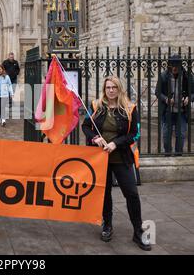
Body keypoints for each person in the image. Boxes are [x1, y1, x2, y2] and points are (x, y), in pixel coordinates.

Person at [82, 75, 151, 251]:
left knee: (132, 194)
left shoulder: (129, 108)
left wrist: (116, 143)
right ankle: (107, 225)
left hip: (121, 157)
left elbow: (134, 134)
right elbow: (85, 126)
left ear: (119, 89)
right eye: (108, 88)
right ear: (104, 90)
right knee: (104, 194)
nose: (111, 90)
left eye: (114, 87)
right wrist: (95, 137)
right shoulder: (96, 106)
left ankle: (138, 231)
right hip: (100, 158)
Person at [155, 55, 194, 155]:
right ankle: (167, 154)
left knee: (180, 135)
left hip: (182, 111)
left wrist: (189, 98)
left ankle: (178, 154)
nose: (174, 68)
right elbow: (157, 92)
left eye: (176, 66)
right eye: (172, 66)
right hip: (167, 111)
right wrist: (166, 99)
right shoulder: (163, 76)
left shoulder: (187, 76)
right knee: (166, 135)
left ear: (181, 66)